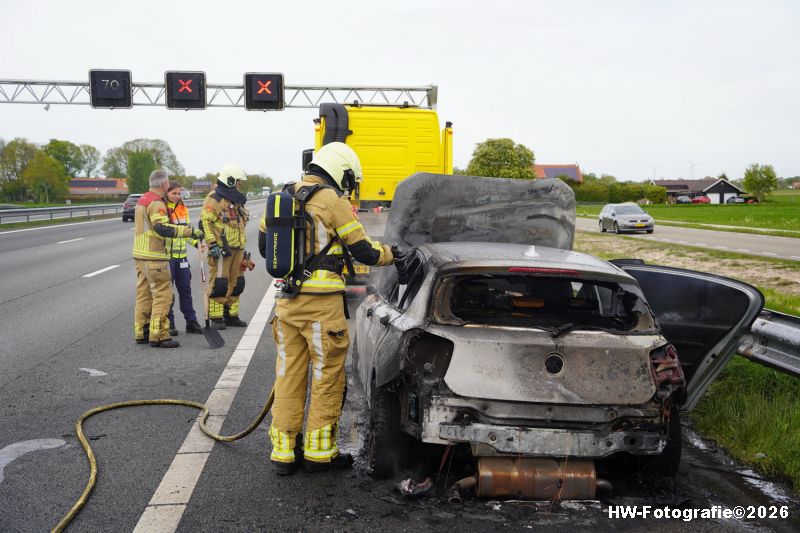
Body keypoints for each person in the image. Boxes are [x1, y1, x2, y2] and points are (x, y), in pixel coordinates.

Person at [264, 142, 396, 475]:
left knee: (288, 377)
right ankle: (319, 454)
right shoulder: (332, 201)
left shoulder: (282, 195)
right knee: (327, 377)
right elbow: (364, 251)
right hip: (321, 308)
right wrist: (393, 254)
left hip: (286, 303)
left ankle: (283, 452)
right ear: (340, 171)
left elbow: (267, 247)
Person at [133, 170, 203, 348]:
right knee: (163, 296)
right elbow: (162, 228)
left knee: (144, 296)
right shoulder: (157, 202)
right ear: (164, 184)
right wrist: (189, 231)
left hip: (140, 254)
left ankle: (142, 332)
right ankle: (159, 336)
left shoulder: (142, 200)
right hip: (155, 255)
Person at [201, 164, 250, 330]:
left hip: (237, 248)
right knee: (220, 284)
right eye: (237, 181)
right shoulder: (215, 198)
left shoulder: (235, 200)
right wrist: (212, 244)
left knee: (237, 283)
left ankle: (231, 315)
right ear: (230, 181)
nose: (239, 184)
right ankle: (216, 318)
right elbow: (205, 222)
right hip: (222, 249)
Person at [164, 181, 204, 336]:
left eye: (179, 193)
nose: (176, 196)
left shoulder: (183, 209)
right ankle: (169, 323)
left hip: (182, 258)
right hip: (168, 258)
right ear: (166, 193)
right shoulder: (162, 209)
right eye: (173, 193)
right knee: (168, 293)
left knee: (186, 290)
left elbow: (186, 233)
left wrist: (197, 244)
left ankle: (191, 322)